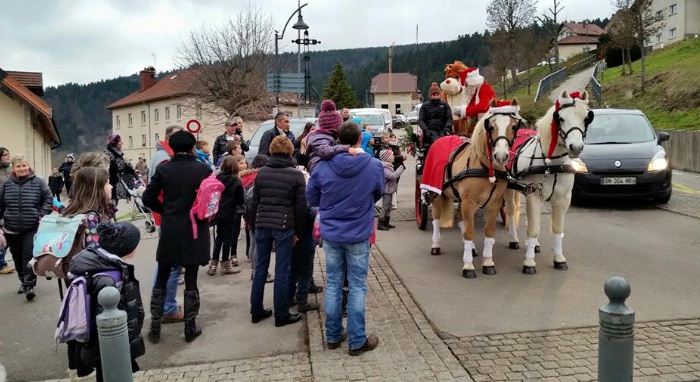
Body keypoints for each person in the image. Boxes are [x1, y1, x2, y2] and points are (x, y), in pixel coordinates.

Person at [306, 121, 384, 356]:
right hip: (359, 232)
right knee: (357, 285)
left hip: (332, 233)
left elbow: (312, 197)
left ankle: (332, 336)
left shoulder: (322, 166)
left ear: (338, 139)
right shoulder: (373, 165)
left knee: (332, 284)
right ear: (360, 139)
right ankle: (357, 340)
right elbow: (378, 191)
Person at [143, 130, 212, 343]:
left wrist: (164, 210)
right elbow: (212, 197)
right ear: (192, 147)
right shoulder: (203, 169)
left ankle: (155, 326)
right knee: (191, 278)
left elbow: (148, 197)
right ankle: (190, 327)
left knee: (163, 274)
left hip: (171, 226)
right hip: (194, 227)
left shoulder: (164, 170)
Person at [65, 222, 145, 381]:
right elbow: (107, 320)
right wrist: (121, 343)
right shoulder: (110, 278)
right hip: (108, 344)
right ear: (126, 247)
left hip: (102, 343)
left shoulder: (99, 264)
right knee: (108, 373)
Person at [248, 136, 307, 327]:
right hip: (284, 225)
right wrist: (299, 231)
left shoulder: (262, 172)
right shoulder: (296, 175)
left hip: (262, 223)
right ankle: (281, 314)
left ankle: (256, 310)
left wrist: (252, 222)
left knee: (260, 270)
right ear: (290, 151)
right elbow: (300, 207)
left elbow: (254, 202)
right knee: (282, 270)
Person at [0, 155, 52, 300]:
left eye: (24, 165)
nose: (22, 169)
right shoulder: (6, 185)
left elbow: (48, 199)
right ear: (13, 168)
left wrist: (42, 214)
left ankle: (29, 285)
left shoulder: (39, 183)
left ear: (28, 166)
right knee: (16, 257)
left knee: (28, 256)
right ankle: (23, 281)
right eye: (18, 166)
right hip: (11, 228)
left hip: (32, 227)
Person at [148, 125, 185, 324]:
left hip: (166, 216)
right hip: (170, 218)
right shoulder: (164, 159)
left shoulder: (161, 155)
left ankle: (162, 305)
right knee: (170, 266)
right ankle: (166, 308)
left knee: (166, 264)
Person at [209, 156, 244, 276]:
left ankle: (213, 265)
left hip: (218, 211)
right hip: (230, 212)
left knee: (219, 237)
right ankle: (225, 264)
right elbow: (240, 200)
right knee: (227, 239)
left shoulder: (218, 178)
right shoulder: (236, 181)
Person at [241, 154, 273, 283]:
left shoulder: (244, 176)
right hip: (258, 212)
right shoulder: (260, 176)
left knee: (253, 242)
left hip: (248, 213)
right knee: (259, 245)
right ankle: (258, 272)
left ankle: (253, 271)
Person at [306, 100, 362, 173]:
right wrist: (347, 148)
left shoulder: (331, 136)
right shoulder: (319, 137)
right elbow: (325, 151)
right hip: (319, 172)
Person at [418, 82, 453, 150]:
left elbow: (449, 118)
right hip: (430, 131)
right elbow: (421, 120)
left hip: (443, 130)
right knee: (436, 141)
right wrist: (426, 130)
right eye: (434, 94)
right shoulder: (425, 106)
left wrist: (447, 128)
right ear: (430, 95)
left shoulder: (445, 105)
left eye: (437, 94)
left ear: (440, 95)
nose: (436, 96)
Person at [377, 149, 405, 230]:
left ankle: (386, 222)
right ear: (387, 158)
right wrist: (400, 169)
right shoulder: (384, 167)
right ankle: (381, 223)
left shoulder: (389, 166)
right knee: (385, 206)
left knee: (389, 206)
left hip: (390, 189)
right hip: (386, 190)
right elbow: (392, 176)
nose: (393, 157)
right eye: (392, 155)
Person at [104, 134, 137, 206]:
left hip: (116, 183)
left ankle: (112, 216)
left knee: (114, 202)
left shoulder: (117, 153)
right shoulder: (108, 154)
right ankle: (110, 216)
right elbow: (113, 168)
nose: (122, 143)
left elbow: (124, 166)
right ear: (114, 143)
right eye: (120, 141)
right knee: (111, 203)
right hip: (110, 183)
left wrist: (134, 173)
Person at [0, 147, 14, 274]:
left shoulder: (11, 170)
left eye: (9, 154)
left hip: (10, 207)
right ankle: (1, 264)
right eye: (5, 155)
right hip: (1, 208)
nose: (8, 157)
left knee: (7, 236)